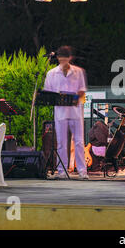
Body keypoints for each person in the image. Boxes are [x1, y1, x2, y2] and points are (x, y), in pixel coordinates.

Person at [43, 46, 88, 180]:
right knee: (61, 142)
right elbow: (48, 92)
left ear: (70, 58)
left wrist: (74, 97)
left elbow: (82, 90)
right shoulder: (51, 73)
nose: (63, 62)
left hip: (75, 111)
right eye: (60, 59)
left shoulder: (78, 72)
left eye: (65, 59)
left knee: (79, 141)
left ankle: (82, 171)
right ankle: (62, 171)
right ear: (58, 58)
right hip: (60, 111)